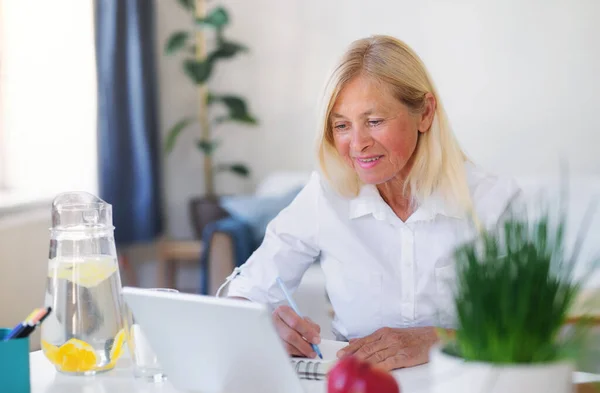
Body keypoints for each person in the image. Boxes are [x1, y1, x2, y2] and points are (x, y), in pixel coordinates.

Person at [226, 35, 520, 371]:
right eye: (341, 125)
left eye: (375, 121)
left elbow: (527, 329)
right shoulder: (326, 196)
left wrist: (438, 338)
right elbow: (246, 291)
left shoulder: (494, 200)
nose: (357, 144)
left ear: (425, 113)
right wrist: (267, 326)